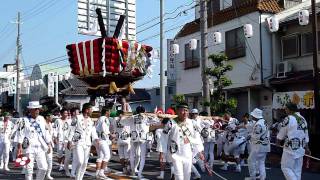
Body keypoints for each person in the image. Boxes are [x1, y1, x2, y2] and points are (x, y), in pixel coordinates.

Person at [162, 102, 204, 180]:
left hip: (188, 154)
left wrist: (200, 151)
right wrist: (163, 152)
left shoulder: (192, 123)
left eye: (186, 110)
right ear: (177, 111)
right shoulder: (171, 122)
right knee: (179, 177)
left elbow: (197, 137)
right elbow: (163, 137)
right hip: (176, 155)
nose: (185, 112)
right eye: (183, 110)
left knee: (187, 177)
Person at [16, 101, 52, 180]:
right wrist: (19, 148)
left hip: (40, 147)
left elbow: (46, 132)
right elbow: (20, 134)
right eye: (35, 109)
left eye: (38, 109)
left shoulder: (41, 119)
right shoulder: (23, 120)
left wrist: (49, 144)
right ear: (30, 110)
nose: (37, 111)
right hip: (28, 148)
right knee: (29, 170)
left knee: (44, 168)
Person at [121, 105, 160, 178]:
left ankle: (133, 171)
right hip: (143, 138)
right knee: (142, 156)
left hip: (134, 137)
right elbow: (157, 122)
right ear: (144, 111)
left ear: (136, 111)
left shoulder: (132, 117)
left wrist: (124, 116)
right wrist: (154, 114)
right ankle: (139, 173)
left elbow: (122, 122)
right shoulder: (146, 117)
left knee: (132, 155)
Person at [277, 102, 310, 180]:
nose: (285, 110)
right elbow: (306, 134)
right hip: (301, 148)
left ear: (289, 109)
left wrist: (278, 142)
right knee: (297, 171)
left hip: (290, 149)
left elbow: (282, 132)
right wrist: (307, 148)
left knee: (285, 167)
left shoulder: (289, 118)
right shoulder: (303, 119)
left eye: (286, 108)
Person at [67, 103, 100, 180]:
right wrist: (69, 141)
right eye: (91, 109)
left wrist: (96, 140)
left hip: (87, 144)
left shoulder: (90, 120)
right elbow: (71, 130)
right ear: (86, 110)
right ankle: (77, 177)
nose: (92, 111)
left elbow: (93, 131)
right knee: (80, 161)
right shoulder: (77, 118)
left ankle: (79, 178)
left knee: (85, 163)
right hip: (79, 143)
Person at [247, 108, 270, 180]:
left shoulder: (258, 124)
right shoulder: (264, 122)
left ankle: (252, 177)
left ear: (255, 116)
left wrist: (250, 136)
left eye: (253, 115)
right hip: (265, 145)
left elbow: (256, 136)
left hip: (258, 146)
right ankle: (262, 177)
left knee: (251, 160)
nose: (252, 117)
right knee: (261, 162)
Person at [110, 110, 131, 175]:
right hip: (126, 139)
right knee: (127, 156)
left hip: (119, 139)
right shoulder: (126, 119)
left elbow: (112, 128)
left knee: (121, 156)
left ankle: (124, 169)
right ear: (123, 114)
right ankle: (128, 167)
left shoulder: (114, 120)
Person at [53, 108, 72, 176]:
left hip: (67, 140)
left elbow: (71, 130)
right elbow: (55, 129)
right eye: (65, 113)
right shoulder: (58, 120)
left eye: (67, 113)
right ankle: (60, 164)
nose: (66, 114)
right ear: (61, 114)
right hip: (60, 139)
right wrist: (55, 137)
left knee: (67, 155)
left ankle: (65, 167)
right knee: (60, 154)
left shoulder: (70, 121)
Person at [95, 107, 112, 179]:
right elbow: (105, 130)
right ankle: (101, 172)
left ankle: (97, 173)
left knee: (100, 157)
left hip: (98, 139)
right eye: (109, 111)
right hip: (102, 139)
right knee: (107, 156)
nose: (110, 112)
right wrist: (111, 135)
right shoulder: (105, 118)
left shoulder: (99, 118)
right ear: (107, 112)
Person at [43, 111, 55, 180]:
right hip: (42, 145)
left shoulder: (50, 124)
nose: (52, 118)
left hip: (50, 144)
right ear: (47, 117)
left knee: (50, 160)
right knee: (43, 161)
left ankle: (48, 174)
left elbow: (51, 134)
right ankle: (43, 173)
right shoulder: (42, 124)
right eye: (51, 117)